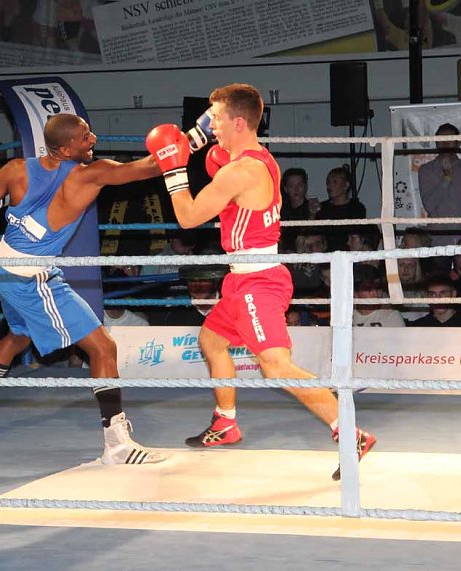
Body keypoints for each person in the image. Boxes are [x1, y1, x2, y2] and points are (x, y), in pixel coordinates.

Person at [145, 83, 375, 481]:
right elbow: (215, 154)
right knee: (211, 340)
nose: (210, 125)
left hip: (259, 282)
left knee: (276, 367)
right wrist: (195, 137)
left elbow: (187, 216)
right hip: (242, 279)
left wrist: (173, 166)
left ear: (237, 122)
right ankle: (226, 422)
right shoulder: (251, 157)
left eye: (215, 119)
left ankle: (349, 432)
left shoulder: (243, 170)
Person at [0, 113, 164, 465]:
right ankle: (117, 445)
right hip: (32, 278)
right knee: (103, 347)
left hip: (3, 269)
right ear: (65, 148)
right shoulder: (85, 176)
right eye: (84, 137)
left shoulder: (16, 170)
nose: (93, 138)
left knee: (18, 336)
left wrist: (13, 203)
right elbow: (144, 169)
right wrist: (192, 141)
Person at [417, 122, 461, 245]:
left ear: (458, 143)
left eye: (450, 140)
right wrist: (446, 178)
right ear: (436, 143)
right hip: (438, 240)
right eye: (441, 140)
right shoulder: (426, 170)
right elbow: (429, 205)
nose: (445, 144)